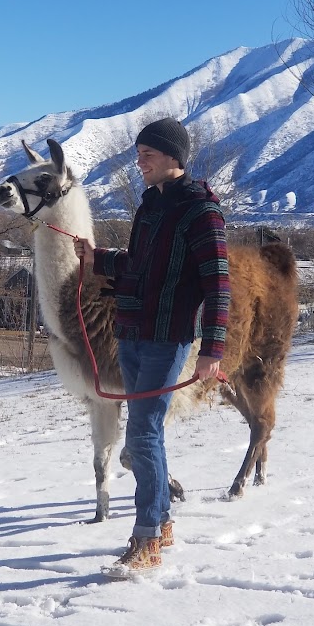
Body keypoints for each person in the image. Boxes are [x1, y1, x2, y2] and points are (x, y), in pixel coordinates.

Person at [74, 117, 230, 577]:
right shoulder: (150, 206)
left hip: (168, 338)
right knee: (150, 434)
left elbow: (218, 285)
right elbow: (140, 265)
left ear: (174, 158)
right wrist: (98, 259)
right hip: (132, 332)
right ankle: (161, 524)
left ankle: (145, 540)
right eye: (138, 153)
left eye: (148, 154)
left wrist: (212, 349)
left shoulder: (202, 213)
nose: (139, 162)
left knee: (141, 433)